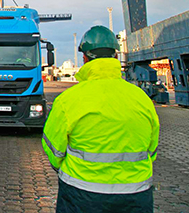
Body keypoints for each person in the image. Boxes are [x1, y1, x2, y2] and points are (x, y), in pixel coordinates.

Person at [42, 25, 159, 213]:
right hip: (136, 195)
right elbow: (151, 150)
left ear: (85, 59)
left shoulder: (68, 101)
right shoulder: (142, 99)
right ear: (115, 57)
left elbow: (53, 149)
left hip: (81, 194)